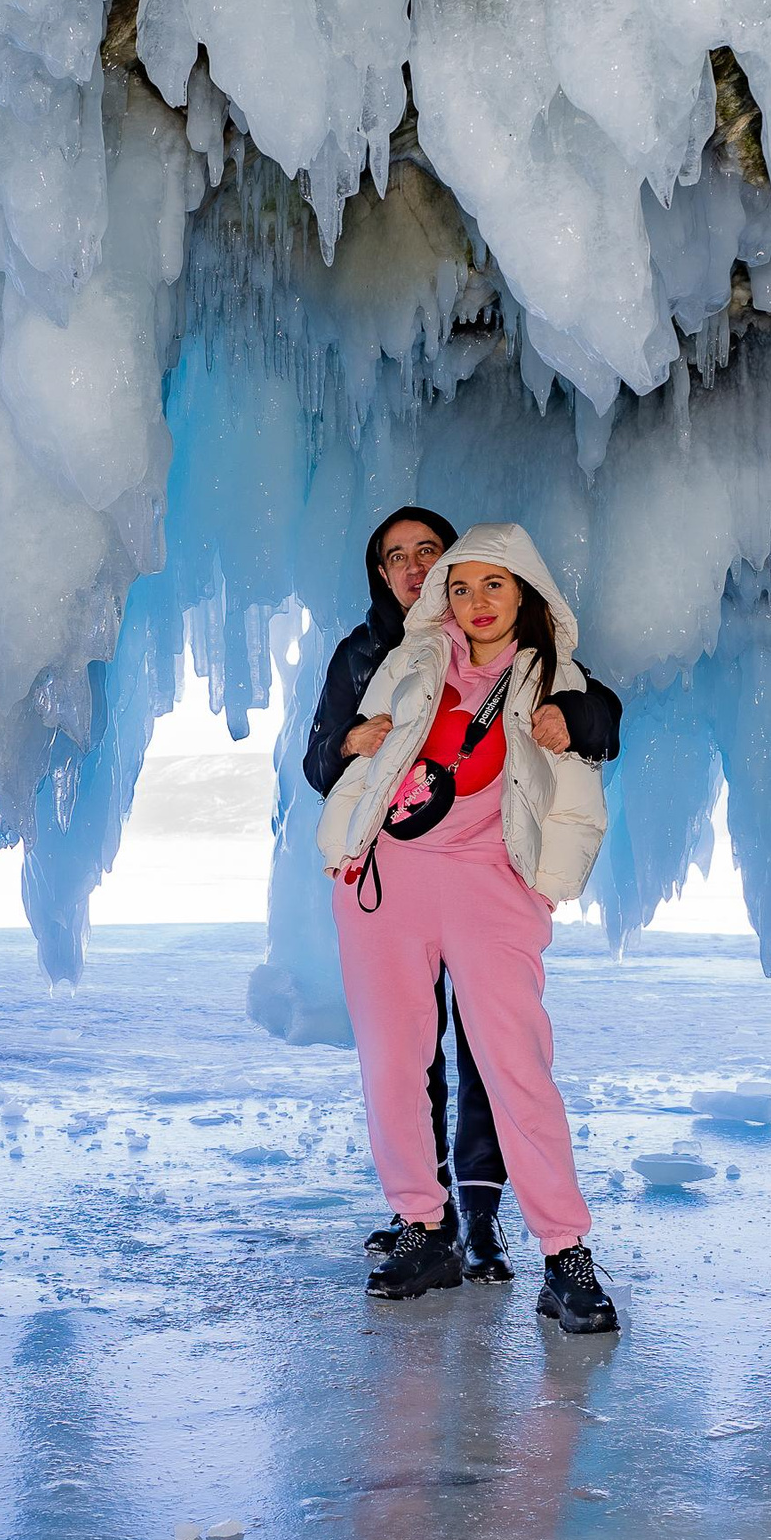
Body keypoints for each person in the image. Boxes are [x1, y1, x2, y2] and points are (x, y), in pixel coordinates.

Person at [316, 521, 620, 1334]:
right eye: (461, 587)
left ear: (525, 591)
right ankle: (423, 1227)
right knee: (392, 1063)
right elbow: (361, 762)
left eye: (494, 584)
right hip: (387, 881)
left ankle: (566, 1253)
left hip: (491, 885)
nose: (477, 601)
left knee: (517, 1065)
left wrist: (546, 886)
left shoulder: (554, 678)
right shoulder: (411, 659)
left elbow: (584, 780)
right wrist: (344, 846)